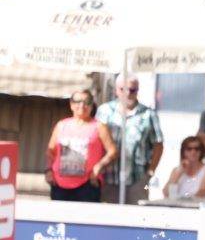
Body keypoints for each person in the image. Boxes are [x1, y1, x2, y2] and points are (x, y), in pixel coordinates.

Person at [96, 74, 164, 204]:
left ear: (137, 91)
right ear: (116, 90)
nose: (127, 93)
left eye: (132, 90)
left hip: (139, 178)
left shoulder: (149, 114)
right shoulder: (104, 111)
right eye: (123, 89)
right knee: (109, 213)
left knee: (139, 212)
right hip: (109, 177)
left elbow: (158, 144)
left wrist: (150, 172)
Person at [46, 89, 116, 203]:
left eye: (87, 102)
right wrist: (48, 170)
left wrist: (99, 167)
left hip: (87, 184)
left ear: (92, 105)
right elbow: (50, 151)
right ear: (71, 104)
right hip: (60, 184)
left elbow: (112, 151)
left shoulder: (99, 126)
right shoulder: (61, 125)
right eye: (77, 102)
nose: (82, 106)